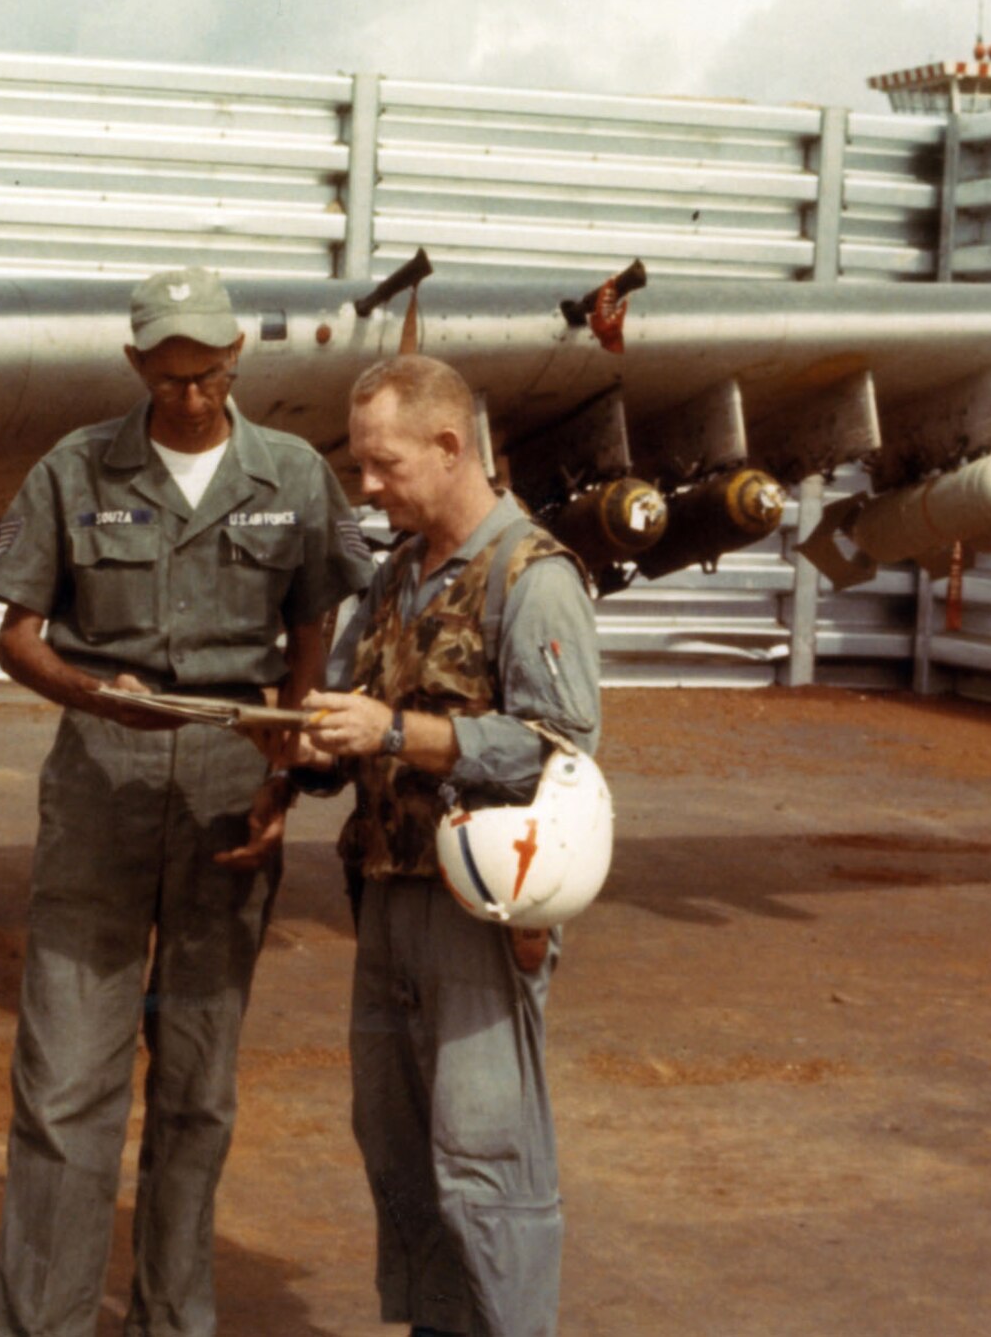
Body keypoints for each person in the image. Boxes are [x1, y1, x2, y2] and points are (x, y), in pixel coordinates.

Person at [0, 265, 373, 1337]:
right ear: (136, 363)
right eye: (171, 375)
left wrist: (280, 778)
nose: (191, 395)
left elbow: (311, 628)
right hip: (101, 782)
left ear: (238, 359)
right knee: (63, 1086)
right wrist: (95, 692)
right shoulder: (73, 468)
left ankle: (170, 1319)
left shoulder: (288, 472)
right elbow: (14, 636)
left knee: (196, 1088)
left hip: (230, 787)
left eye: (211, 373)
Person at [290, 354, 601, 1337]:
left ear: (447, 446)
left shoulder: (532, 575)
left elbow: (558, 752)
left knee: (484, 1161)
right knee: (398, 1150)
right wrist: (306, 744)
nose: (366, 484)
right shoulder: (392, 576)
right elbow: (347, 714)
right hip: (386, 902)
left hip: (480, 911)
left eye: (382, 464)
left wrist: (394, 733)